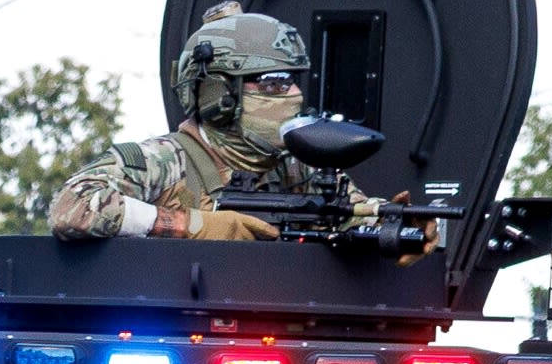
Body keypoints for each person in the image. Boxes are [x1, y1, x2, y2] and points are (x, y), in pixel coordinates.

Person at [47, 12, 392, 244]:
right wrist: (193, 224)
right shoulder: (161, 161)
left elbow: (355, 215)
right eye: (274, 83)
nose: (295, 95)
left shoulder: (300, 167)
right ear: (220, 94)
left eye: (293, 81)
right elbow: (73, 208)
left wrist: (397, 228)